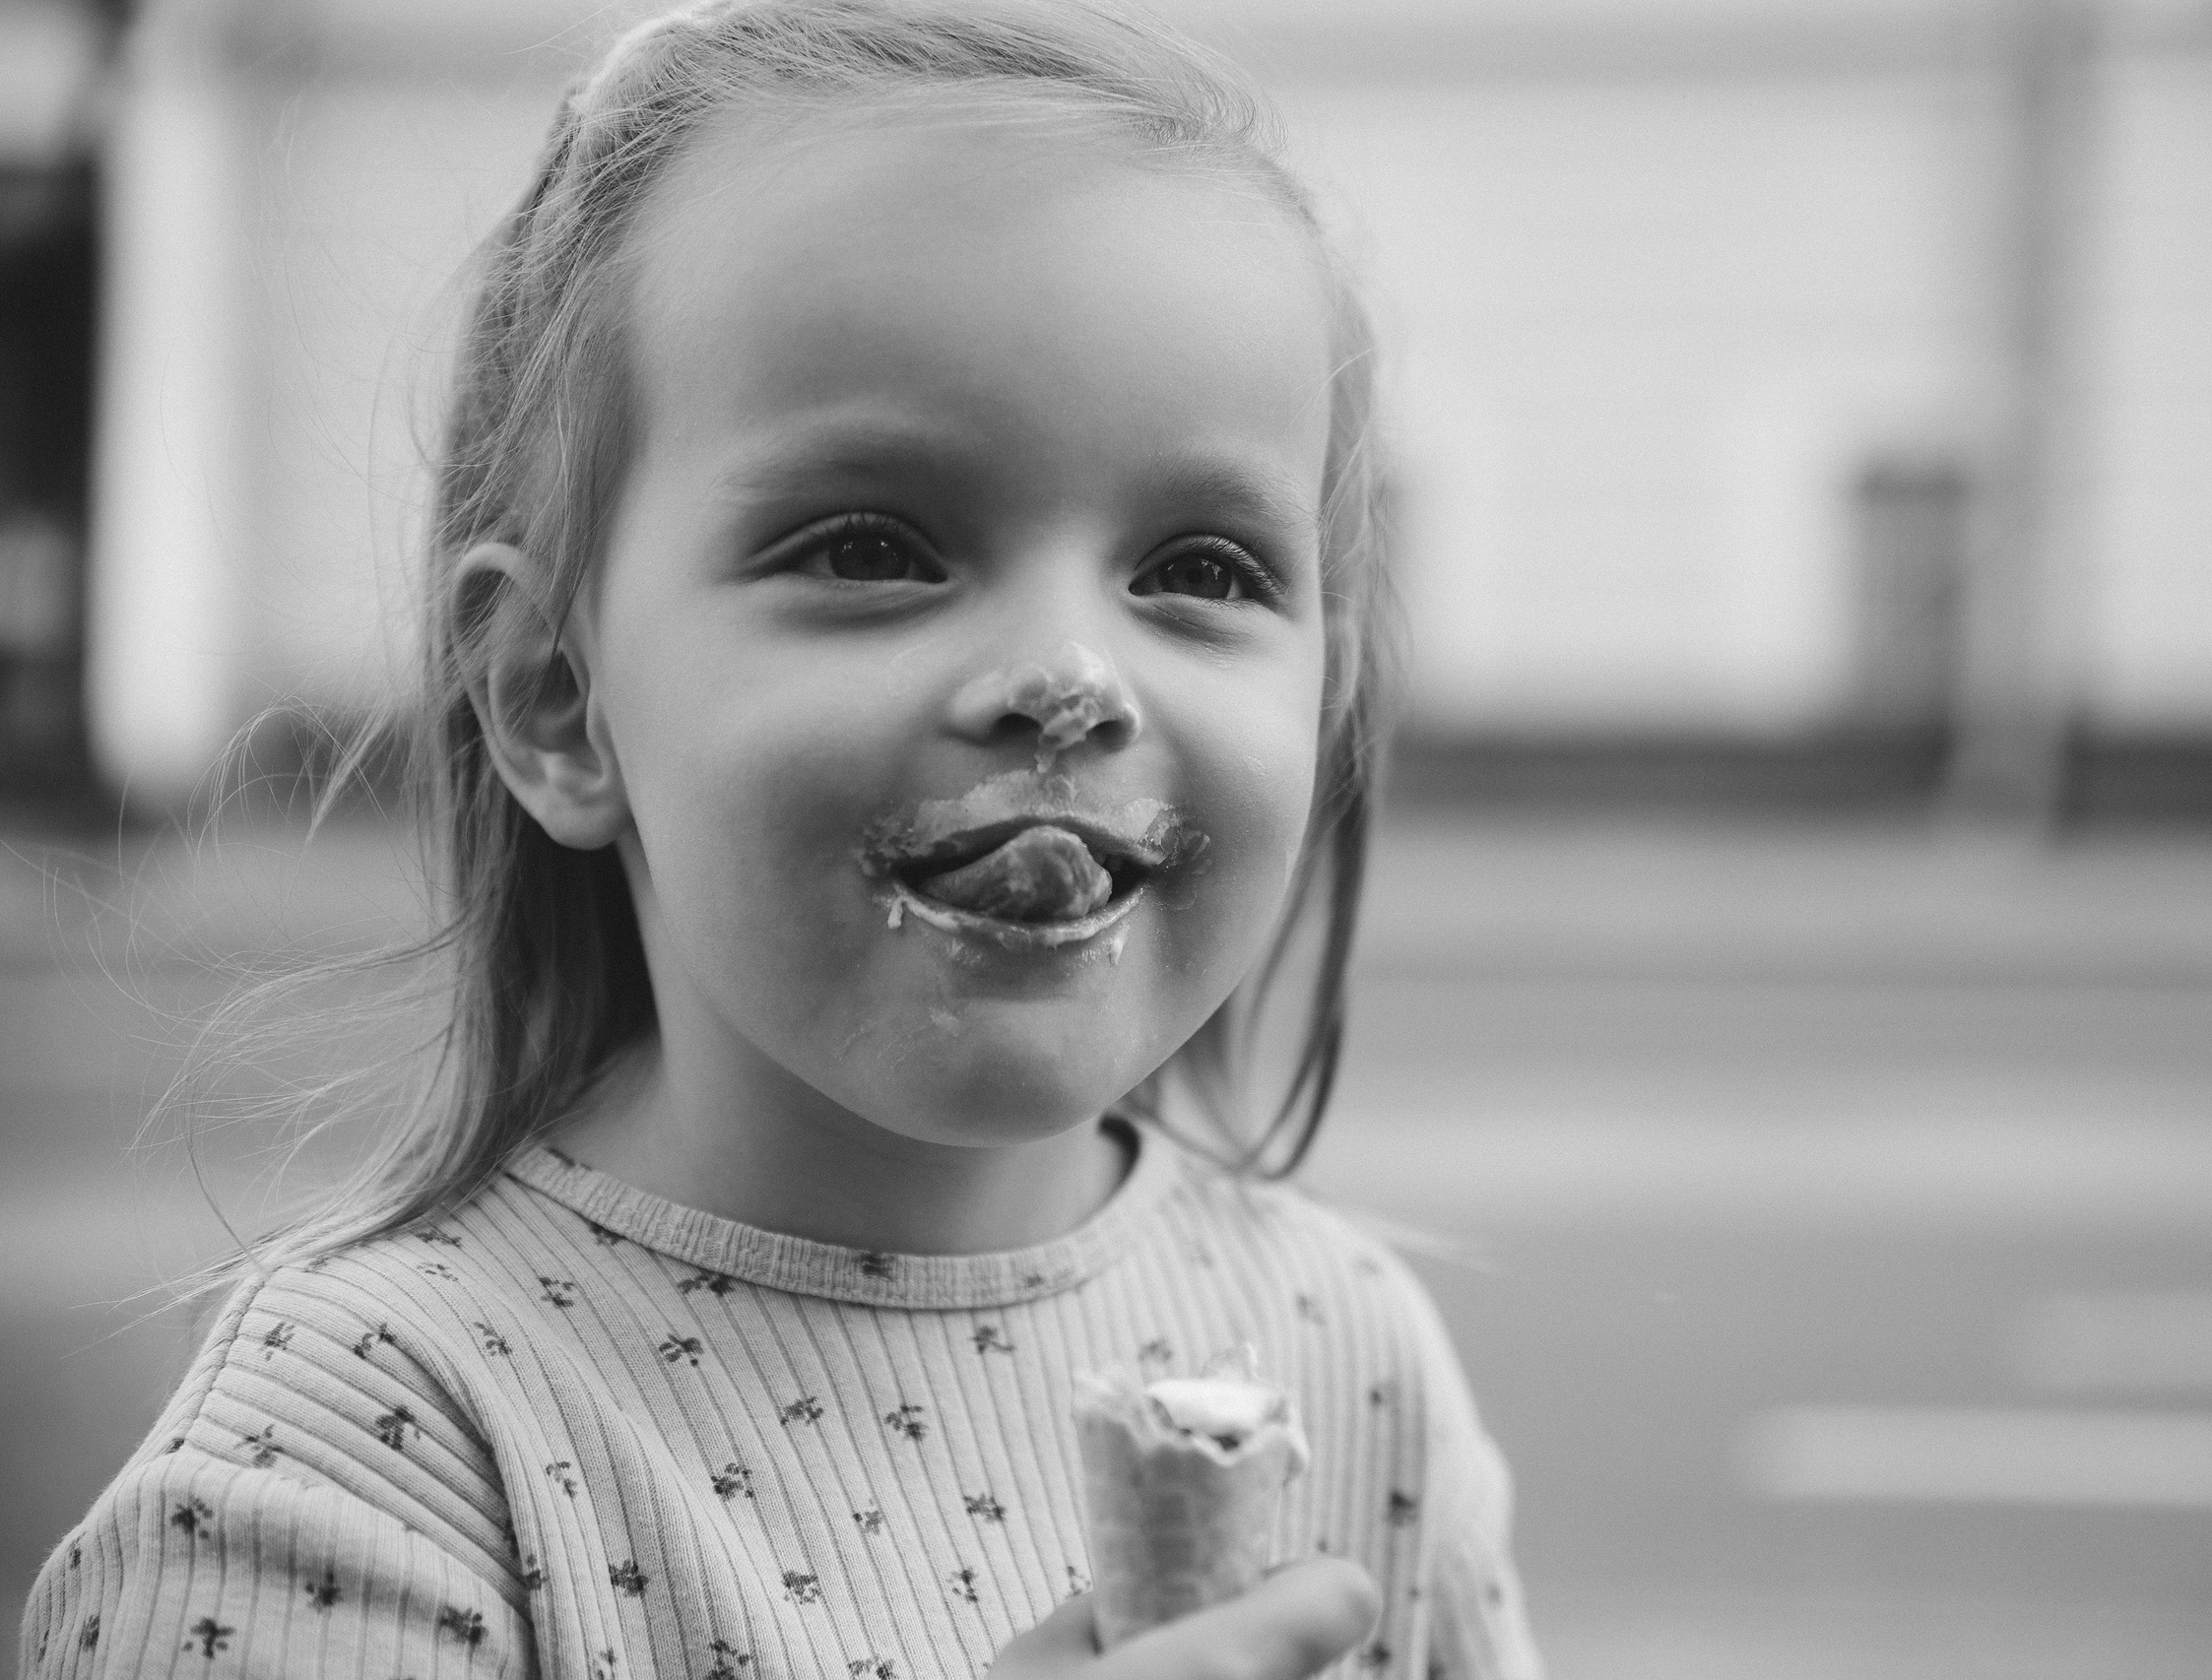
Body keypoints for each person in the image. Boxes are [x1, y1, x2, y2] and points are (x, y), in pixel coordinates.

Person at [19, 3, 1543, 1678]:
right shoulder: (362, 1453)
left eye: (1200, 569)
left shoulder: (1350, 1356)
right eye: (875, 543)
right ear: (555, 700)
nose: (1068, 681)